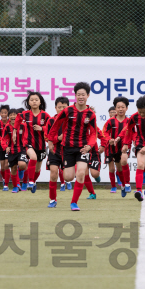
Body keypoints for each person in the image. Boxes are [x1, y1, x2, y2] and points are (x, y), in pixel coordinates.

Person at [48, 82, 97, 211]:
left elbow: (93, 134)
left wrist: (89, 146)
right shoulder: (67, 111)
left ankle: (74, 202)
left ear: (88, 96)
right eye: (78, 94)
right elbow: (55, 126)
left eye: (83, 94)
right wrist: (50, 141)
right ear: (75, 96)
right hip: (68, 148)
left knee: (81, 173)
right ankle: (73, 173)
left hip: (83, 148)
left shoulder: (91, 114)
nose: (81, 97)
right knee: (68, 177)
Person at [14, 92, 51, 193]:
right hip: (28, 143)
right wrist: (14, 131)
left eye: (36, 100)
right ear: (28, 102)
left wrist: (42, 128)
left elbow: (50, 127)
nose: (34, 101)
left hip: (41, 145)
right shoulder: (25, 114)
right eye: (32, 100)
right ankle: (30, 181)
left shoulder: (45, 115)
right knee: (33, 157)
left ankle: (33, 181)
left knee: (37, 169)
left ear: (40, 102)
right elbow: (17, 119)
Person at [103, 96, 131, 196]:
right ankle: (122, 185)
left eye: (123, 107)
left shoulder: (129, 121)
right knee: (118, 169)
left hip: (125, 146)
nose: (120, 109)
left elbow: (133, 133)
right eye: (118, 107)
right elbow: (104, 133)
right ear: (115, 108)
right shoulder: (110, 121)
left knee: (124, 161)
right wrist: (109, 139)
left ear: (126, 108)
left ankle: (127, 184)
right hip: (112, 147)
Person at [45, 97, 69, 208]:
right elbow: (47, 137)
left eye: (64, 107)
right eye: (60, 107)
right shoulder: (50, 121)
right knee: (53, 174)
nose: (62, 109)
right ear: (55, 108)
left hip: (68, 152)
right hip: (54, 151)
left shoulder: (72, 121)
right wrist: (58, 139)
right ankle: (52, 200)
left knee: (68, 176)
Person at [2, 109, 29, 193]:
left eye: (15, 115)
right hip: (12, 150)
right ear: (8, 117)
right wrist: (5, 146)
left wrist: (27, 146)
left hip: (22, 149)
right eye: (11, 115)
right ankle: (15, 186)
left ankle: (24, 178)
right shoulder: (7, 126)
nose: (13, 116)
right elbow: (3, 139)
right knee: (13, 168)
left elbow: (27, 136)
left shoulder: (23, 125)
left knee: (21, 165)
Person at [0, 104, 10, 191]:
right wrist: (2, 141)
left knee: (6, 165)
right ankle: (4, 179)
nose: (4, 114)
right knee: (2, 167)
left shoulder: (10, 123)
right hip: (0, 148)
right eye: (2, 113)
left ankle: (6, 185)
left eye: (5, 113)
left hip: (8, 148)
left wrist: (7, 143)